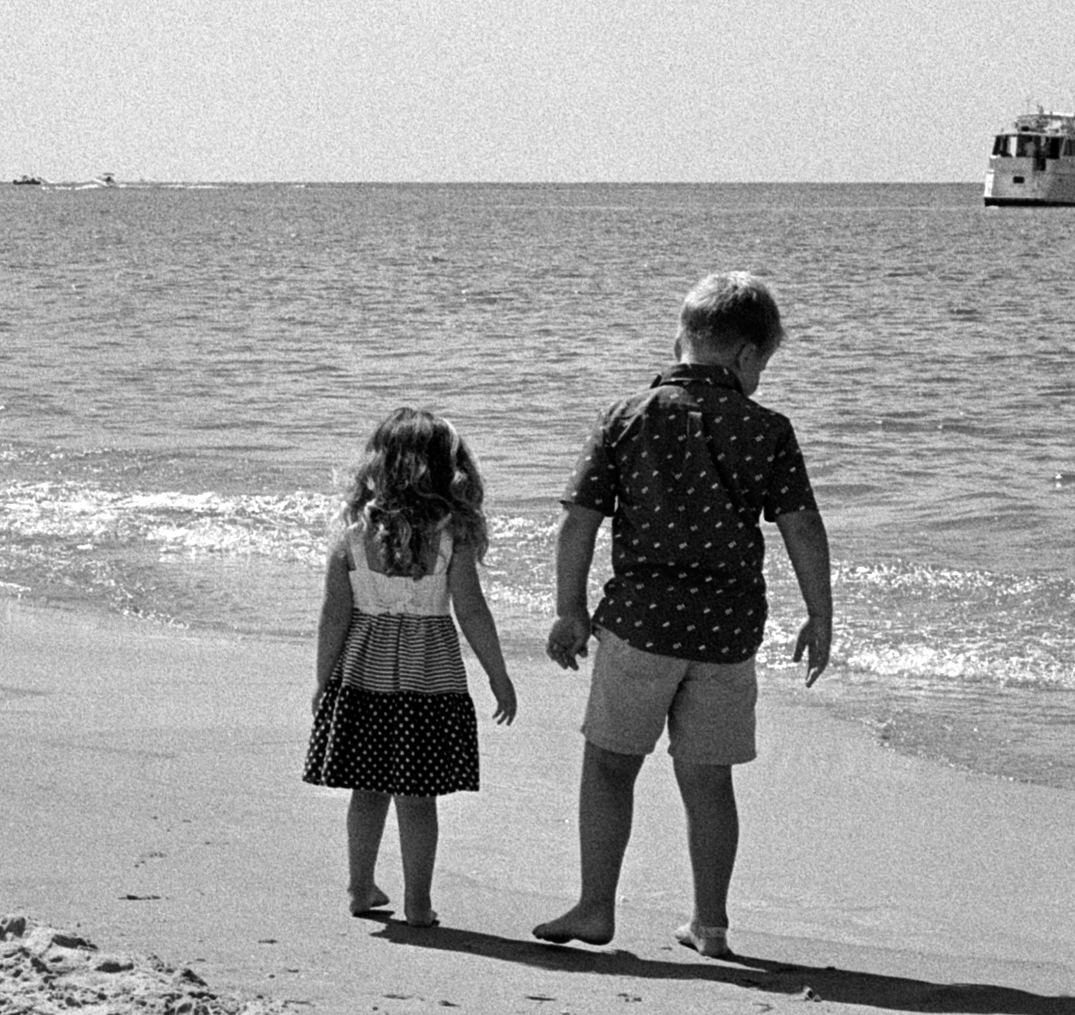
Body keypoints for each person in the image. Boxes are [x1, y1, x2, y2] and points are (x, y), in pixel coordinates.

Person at [531, 271, 832, 960]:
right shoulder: (767, 429)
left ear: (681, 339)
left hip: (640, 625)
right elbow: (802, 526)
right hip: (725, 634)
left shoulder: (625, 415)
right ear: (747, 357)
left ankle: (595, 905)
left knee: (609, 765)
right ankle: (710, 921)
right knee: (708, 778)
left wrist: (569, 610)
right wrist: (819, 613)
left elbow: (578, 520)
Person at [303, 406, 516, 928]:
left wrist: (323, 679)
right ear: (447, 470)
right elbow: (470, 609)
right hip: (429, 677)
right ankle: (418, 903)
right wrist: (497, 674)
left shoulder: (352, 533)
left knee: (366, 787)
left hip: (362, 675)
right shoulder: (450, 536)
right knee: (418, 796)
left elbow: (335, 615)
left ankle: (360, 887)